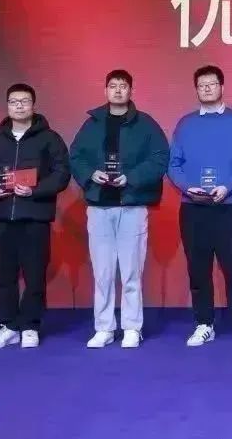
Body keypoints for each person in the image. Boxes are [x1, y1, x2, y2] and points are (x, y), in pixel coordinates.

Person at [70, 70, 169, 349]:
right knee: (102, 273)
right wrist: (91, 174)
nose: (117, 90)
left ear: (131, 91)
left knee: (131, 272)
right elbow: (75, 156)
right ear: (105, 91)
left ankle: (132, 327)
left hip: (132, 206)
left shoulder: (146, 124)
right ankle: (104, 328)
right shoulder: (92, 124)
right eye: (112, 86)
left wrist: (132, 177)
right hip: (99, 206)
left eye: (123, 86)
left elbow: (160, 158)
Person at [168, 65, 232, 348]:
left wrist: (227, 186)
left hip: (228, 206)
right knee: (198, 269)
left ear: (222, 87)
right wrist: (187, 187)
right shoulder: (185, 124)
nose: (207, 89)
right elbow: (173, 164)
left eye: (212, 84)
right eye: (202, 85)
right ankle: (203, 323)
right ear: (196, 89)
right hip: (192, 207)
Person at [0, 83, 71, 349]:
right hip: (1, 217)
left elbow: (62, 173)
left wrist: (35, 190)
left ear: (33, 105)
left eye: (24, 101)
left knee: (34, 275)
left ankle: (30, 326)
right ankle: (8, 326)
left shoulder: (50, 138)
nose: (19, 106)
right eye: (14, 101)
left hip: (35, 217)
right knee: (3, 276)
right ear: (7, 106)